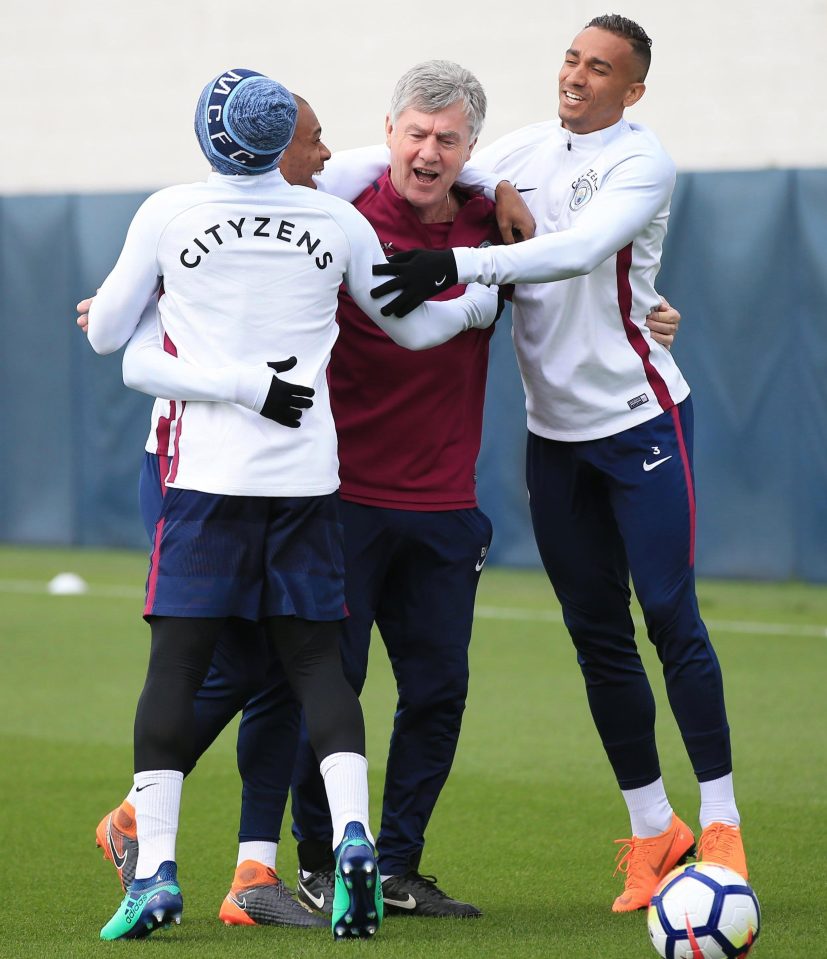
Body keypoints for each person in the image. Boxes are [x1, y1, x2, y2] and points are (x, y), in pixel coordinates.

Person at [106, 60, 680, 921]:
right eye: (413, 133)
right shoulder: (340, 199)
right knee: (282, 674)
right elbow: (231, 262)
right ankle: (278, 863)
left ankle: (386, 863)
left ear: (470, 149)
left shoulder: (494, 219)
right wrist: (142, 305)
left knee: (432, 688)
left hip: (441, 500)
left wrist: (643, 309)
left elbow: (575, 277)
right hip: (329, 492)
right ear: (388, 132)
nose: (427, 151)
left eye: (448, 140)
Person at [84, 67, 501, 942]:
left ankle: (156, 874)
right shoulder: (339, 219)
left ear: (209, 136)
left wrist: (184, 338)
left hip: (208, 480)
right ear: (281, 143)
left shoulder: (169, 212)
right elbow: (411, 324)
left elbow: (109, 338)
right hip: (311, 483)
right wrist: (481, 302)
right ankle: (353, 841)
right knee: (316, 667)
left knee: (178, 669)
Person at [371, 15, 748, 913]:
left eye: (601, 68)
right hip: (553, 437)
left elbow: (580, 251)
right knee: (595, 636)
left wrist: (454, 260)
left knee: (669, 615)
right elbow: (395, 155)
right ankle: (654, 830)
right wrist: (494, 179)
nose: (577, 76)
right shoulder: (518, 148)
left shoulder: (640, 160)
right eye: (572, 60)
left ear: (633, 88)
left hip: (639, 418)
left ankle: (723, 824)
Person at [88, 94, 332, 932]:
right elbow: (122, 342)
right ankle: (156, 834)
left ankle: (247, 870)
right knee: (238, 655)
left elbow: (386, 157)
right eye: (313, 137)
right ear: (273, 151)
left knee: (279, 661)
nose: (329, 152)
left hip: (284, 466)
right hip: (192, 461)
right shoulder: (184, 216)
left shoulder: (315, 210)